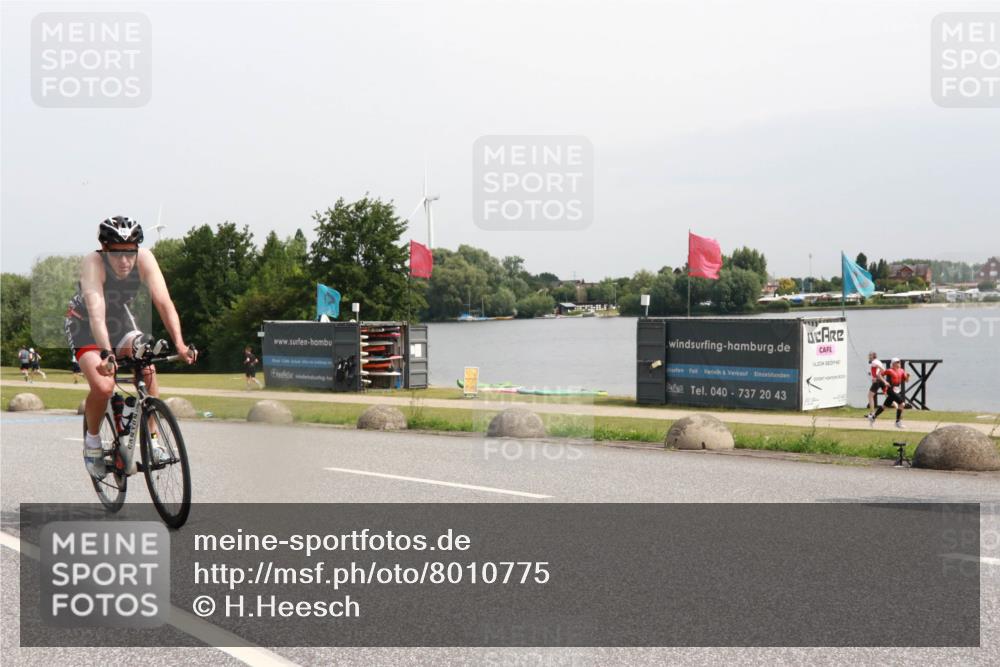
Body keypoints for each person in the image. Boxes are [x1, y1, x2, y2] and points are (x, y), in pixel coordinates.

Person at [64, 216, 197, 479]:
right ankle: (92, 443)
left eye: (130, 253)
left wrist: (180, 344)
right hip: (85, 324)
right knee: (103, 386)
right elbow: (97, 315)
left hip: (120, 320)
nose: (125, 262)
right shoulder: (93, 263)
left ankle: (153, 441)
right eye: (117, 255)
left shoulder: (146, 259)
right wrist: (107, 354)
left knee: (145, 363)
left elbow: (164, 303)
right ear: (104, 249)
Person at [869, 357, 910, 429]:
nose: (899, 363)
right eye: (897, 362)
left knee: (884, 406)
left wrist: (908, 377)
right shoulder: (889, 371)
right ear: (893, 364)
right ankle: (898, 422)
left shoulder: (902, 371)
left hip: (897, 390)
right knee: (902, 404)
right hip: (890, 390)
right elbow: (879, 374)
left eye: (899, 362)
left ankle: (873, 417)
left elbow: (906, 381)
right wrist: (885, 382)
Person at [864, 351, 885, 420]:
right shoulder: (878, 361)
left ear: (873, 356)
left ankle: (872, 413)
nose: (868, 357)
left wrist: (875, 377)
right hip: (881, 380)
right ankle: (899, 406)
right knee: (888, 396)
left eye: (870, 355)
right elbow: (881, 370)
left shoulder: (873, 362)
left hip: (877, 381)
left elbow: (881, 370)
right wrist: (873, 374)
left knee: (870, 396)